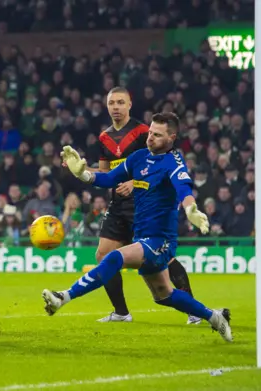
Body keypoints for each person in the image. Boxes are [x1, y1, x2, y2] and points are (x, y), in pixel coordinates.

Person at [44, 112, 232, 342]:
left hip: (161, 240)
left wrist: (191, 209)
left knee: (112, 258)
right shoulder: (139, 157)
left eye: (158, 135)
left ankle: (63, 297)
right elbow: (108, 179)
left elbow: (184, 188)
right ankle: (214, 317)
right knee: (163, 295)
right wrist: (83, 174)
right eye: (150, 132)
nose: (150, 137)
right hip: (142, 236)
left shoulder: (173, 161)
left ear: (172, 137)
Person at [89, 87, 199, 324]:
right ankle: (121, 312)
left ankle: (194, 311)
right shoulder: (103, 138)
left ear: (130, 104)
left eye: (120, 102)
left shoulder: (143, 132)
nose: (115, 107)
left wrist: (133, 182)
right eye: (111, 103)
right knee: (102, 254)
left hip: (144, 203)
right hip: (118, 205)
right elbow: (106, 173)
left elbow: (152, 162)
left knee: (164, 260)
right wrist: (82, 170)